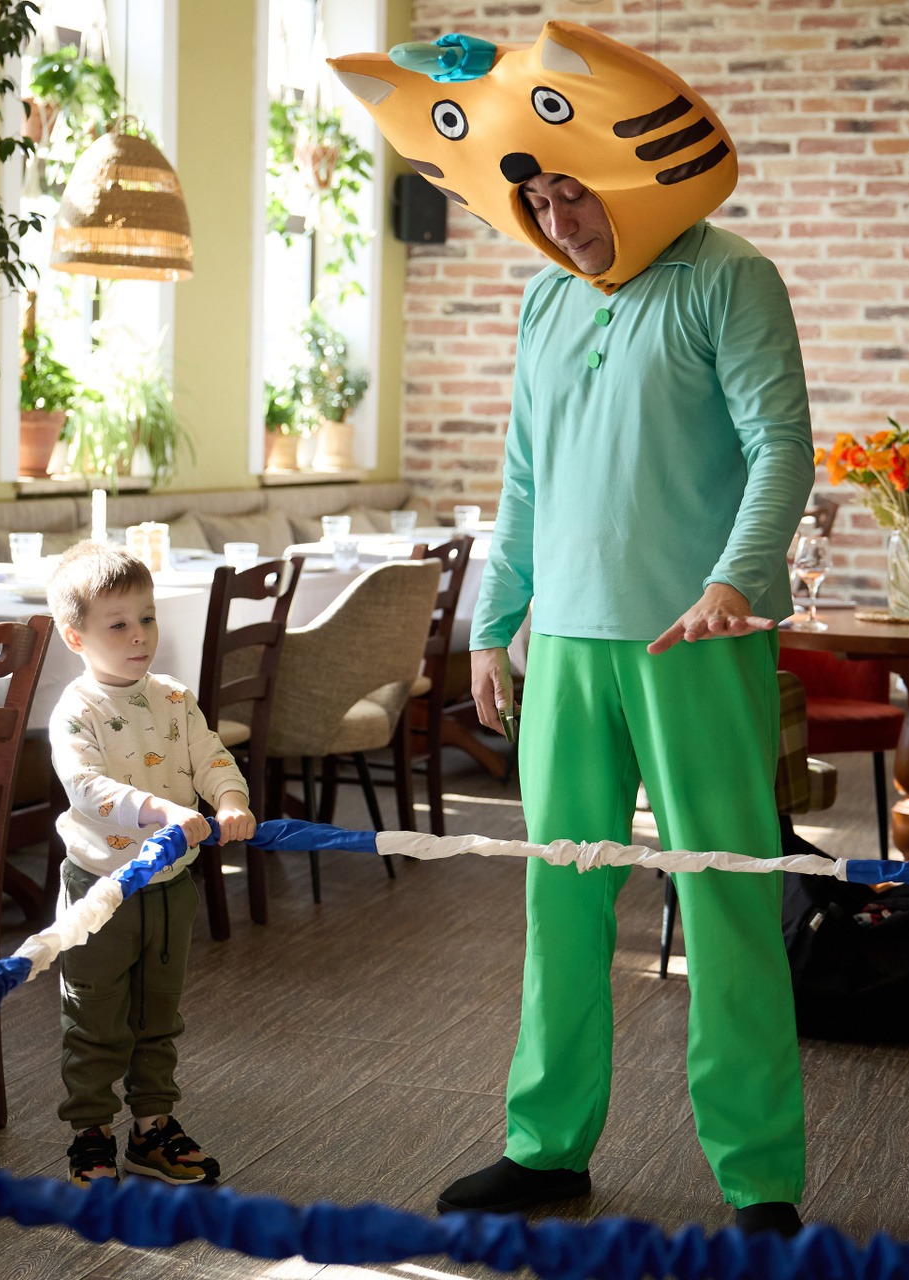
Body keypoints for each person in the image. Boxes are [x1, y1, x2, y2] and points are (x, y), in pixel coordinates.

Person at [330, 25, 813, 1230]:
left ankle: (759, 1176)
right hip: (565, 651)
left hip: (698, 643)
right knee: (562, 899)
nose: (558, 220)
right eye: (538, 203)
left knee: (727, 906)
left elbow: (781, 448)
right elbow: (526, 479)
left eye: (572, 193)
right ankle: (545, 1145)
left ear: (620, 177)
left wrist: (734, 581)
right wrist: (493, 624)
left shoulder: (730, 277)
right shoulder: (545, 300)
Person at [44, 542, 256, 1187]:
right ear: (75, 638)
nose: (139, 635)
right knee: (95, 1016)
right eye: (118, 625)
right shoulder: (76, 711)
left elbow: (211, 755)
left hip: (170, 886)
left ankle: (152, 1128)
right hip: (101, 888)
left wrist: (230, 798)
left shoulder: (173, 698)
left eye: (147, 618)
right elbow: (87, 788)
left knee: (158, 1015)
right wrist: (160, 810)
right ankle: (90, 1133)